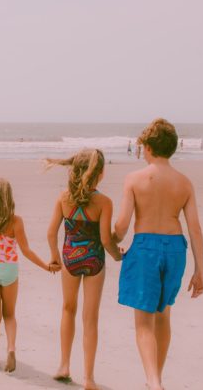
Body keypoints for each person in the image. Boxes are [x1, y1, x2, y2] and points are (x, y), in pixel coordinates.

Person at [111, 119, 203, 390]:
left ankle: (153, 382)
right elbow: (195, 229)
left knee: (143, 321)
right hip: (176, 247)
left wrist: (110, 240)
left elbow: (121, 227)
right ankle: (156, 378)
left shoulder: (135, 179)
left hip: (145, 248)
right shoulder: (184, 183)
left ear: (148, 147)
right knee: (164, 313)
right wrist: (201, 270)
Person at [45, 149, 122, 388]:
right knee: (90, 318)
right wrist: (117, 256)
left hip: (70, 258)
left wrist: (55, 257)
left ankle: (64, 365)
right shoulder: (104, 202)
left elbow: (51, 233)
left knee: (68, 309)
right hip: (94, 261)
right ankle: (88, 377)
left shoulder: (63, 198)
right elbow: (106, 240)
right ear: (99, 173)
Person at [0, 178, 57, 372]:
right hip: (10, 270)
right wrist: (45, 266)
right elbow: (26, 250)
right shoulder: (15, 221)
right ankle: (11, 348)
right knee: (9, 314)